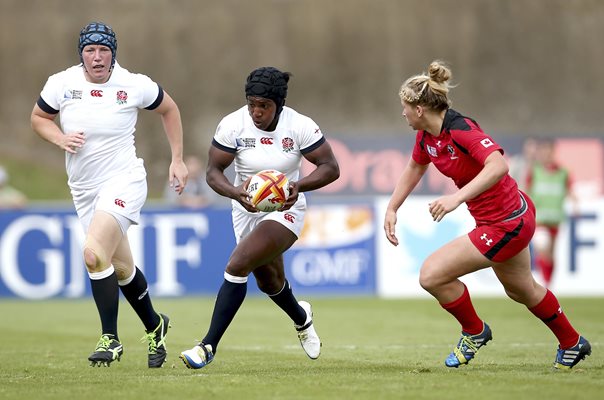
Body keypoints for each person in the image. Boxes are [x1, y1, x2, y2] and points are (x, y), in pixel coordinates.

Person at [383, 60, 590, 370]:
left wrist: (456, 199)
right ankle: (572, 342)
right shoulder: (427, 137)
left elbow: (498, 166)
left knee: (431, 275)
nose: (403, 113)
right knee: (521, 289)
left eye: (405, 107)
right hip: (504, 219)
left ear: (420, 109)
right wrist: (392, 207)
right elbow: (415, 166)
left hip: (507, 222)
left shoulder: (461, 130)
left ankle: (474, 331)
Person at [30, 22, 188, 368]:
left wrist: (177, 159)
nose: (97, 58)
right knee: (119, 268)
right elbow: (39, 117)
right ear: (81, 55)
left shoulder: (133, 84)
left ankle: (110, 339)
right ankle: (155, 325)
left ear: (113, 54)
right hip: (84, 190)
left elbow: (170, 109)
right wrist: (60, 139)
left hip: (124, 180)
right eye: (90, 51)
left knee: (91, 254)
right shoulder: (61, 84)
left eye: (104, 51)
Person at [179, 66, 340, 370]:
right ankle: (302, 318)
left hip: (286, 209)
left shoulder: (300, 126)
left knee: (237, 263)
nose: (256, 112)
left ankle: (207, 346)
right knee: (269, 281)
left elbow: (331, 167)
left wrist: (297, 186)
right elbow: (213, 172)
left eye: (263, 106)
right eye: (252, 103)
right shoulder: (233, 125)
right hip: (245, 208)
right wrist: (234, 192)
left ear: (278, 105)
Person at [526, 138, 578, 288]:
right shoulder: (534, 171)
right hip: (539, 218)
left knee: (551, 254)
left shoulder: (563, 172)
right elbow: (526, 190)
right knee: (543, 247)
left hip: (555, 218)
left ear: (553, 152)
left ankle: (549, 284)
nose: (546, 155)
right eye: (543, 152)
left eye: (549, 151)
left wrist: (576, 204)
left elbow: (569, 190)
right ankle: (543, 281)